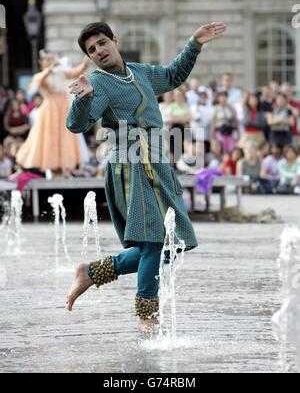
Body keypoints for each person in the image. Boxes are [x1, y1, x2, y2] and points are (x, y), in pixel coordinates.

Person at [65, 20, 227, 333]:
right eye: (91, 49)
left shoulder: (139, 72)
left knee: (171, 241)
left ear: (115, 39)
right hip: (130, 167)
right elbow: (77, 125)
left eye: (102, 43)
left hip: (157, 164)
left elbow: (173, 75)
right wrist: (82, 99)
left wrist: (194, 43)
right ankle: (146, 313)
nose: (99, 51)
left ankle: (92, 272)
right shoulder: (98, 83)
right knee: (154, 240)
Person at [16, 51, 89, 174]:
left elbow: (76, 72)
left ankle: (64, 167)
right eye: (47, 60)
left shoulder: (62, 73)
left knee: (65, 137)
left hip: (63, 108)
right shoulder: (41, 75)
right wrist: (51, 68)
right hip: (49, 111)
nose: (50, 62)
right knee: (48, 138)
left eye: (51, 59)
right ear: (42, 62)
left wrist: (85, 62)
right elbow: (39, 80)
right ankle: (52, 167)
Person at [211, 89, 238, 155]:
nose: (223, 98)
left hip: (230, 131)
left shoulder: (231, 108)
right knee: (222, 150)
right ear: (218, 98)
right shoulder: (216, 108)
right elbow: (213, 122)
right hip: (220, 131)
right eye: (221, 96)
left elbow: (235, 120)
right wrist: (212, 137)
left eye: (225, 96)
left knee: (232, 149)